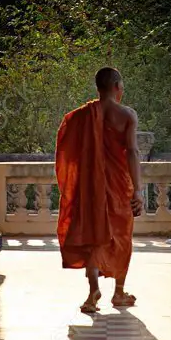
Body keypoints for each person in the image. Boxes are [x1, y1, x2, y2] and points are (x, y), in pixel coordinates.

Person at [55, 67, 144, 313]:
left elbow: (67, 152)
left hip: (91, 188)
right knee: (121, 235)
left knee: (95, 236)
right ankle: (118, 292)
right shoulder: (127, 115)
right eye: (122, 86)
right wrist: (138, 190)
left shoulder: (81, 116)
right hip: (118, 185)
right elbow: (133, 152)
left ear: (98, 88)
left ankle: (93, 291)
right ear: (117, 87)